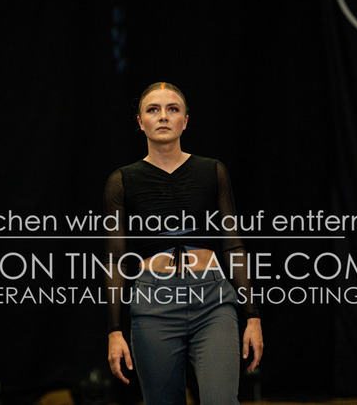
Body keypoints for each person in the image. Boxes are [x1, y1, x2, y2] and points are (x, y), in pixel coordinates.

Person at [103, 82, 263, 404]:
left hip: (213, 299)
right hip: (153, 304)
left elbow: (232, 245)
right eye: (153, 110)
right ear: (140, 122)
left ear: (185, 120)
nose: (163, 116)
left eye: (172, 109)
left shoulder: (212, 171)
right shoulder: (122, 181)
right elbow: (116, 258)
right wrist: (114, 330)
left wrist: (252, 315)